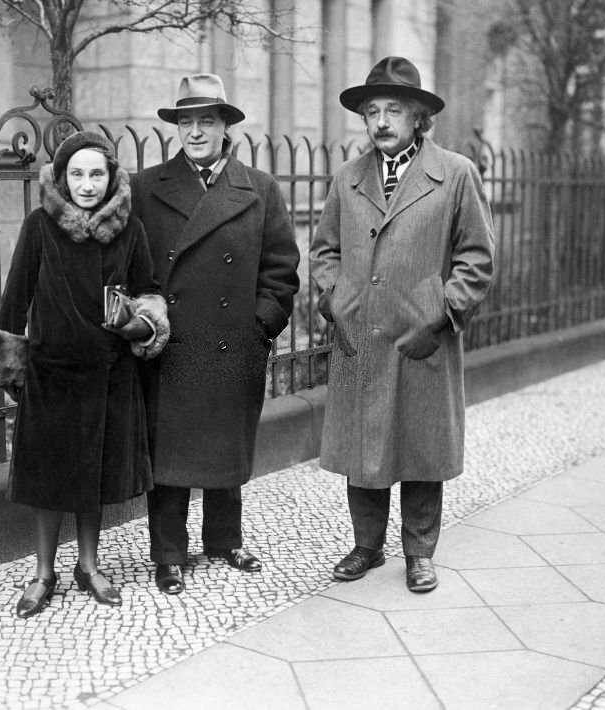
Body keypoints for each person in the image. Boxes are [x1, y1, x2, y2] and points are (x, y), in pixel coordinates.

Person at [309, 57, 495, 593]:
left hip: (422, 335)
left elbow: (477, 259)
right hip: (360, 333)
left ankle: (419, 552)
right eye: (373, 111)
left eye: (394, 110)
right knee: (362, 446)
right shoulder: (348, 178)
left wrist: (441, 315)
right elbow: (324, 250)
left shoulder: (455, 173)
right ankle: (366, 546)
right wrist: (334, 302)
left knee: (420, 445)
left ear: (418, 118)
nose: (382, 121)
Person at [0, 131, 170, 617]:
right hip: (51, 376)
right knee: (48, 478)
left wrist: (139, 322)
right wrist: (9, 370)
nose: (86, 184)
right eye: (76, 174)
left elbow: (148, 293)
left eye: (96, 174)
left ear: (111, 178)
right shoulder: (41, 226)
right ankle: (43, 572)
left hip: (108, 375)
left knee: (93, 474)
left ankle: (89, 565)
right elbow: (14, 299)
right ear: (61, 177)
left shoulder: (131, 231)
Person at [131, 73, 300, 595]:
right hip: (171, 343)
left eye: (207, 120)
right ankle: (168, 554)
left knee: (226, 443)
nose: (196, 131)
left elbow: (281, 268)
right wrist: (145, 318)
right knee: (171, 453)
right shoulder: (146, 187)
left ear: (226, 126)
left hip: (233, 341)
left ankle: (225, 540)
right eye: (187, 121)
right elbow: (133, 267)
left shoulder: (261, 188)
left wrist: (260, 328)